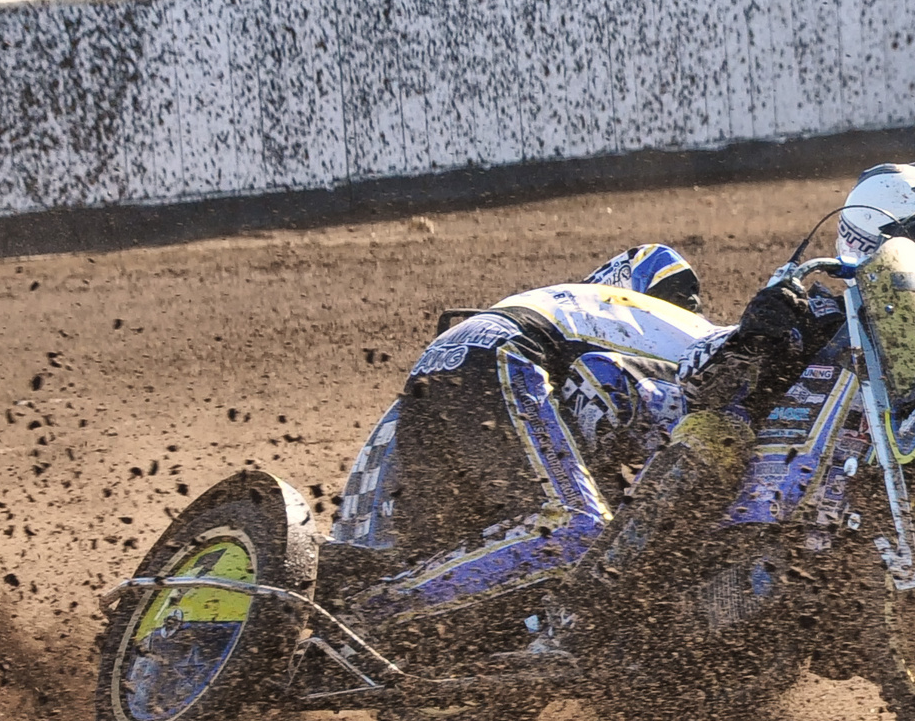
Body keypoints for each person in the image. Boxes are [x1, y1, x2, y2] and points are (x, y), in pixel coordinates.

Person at [328, 243, 843, 649]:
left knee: (572, 529)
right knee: (573, 528)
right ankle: (362, 618)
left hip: (488, 364)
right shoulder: (694, 346)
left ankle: (393, 611)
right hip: (503, 351)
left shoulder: (655, 345)